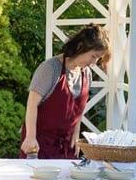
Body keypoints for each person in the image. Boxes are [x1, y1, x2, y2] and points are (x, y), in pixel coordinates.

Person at [19, 24, 111, 159]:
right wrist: (30, 137)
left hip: (67, 147)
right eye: (93, 56)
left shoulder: (87, 74)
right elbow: (32, 104)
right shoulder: (50, 68)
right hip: (39, 144)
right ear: (81, 46)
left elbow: (78, 110)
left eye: (98, 59)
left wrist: (76, 134)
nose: (94, 62)